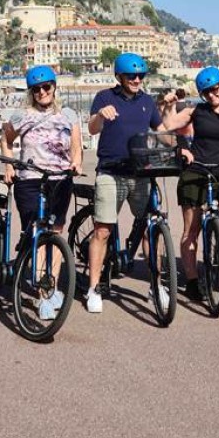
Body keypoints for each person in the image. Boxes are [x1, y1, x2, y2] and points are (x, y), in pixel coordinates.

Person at [161, 66, 219, 303]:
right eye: (207, 92)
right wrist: (169, 107)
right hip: (195, 172)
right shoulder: (196, 111)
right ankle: (192, 282)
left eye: (216, 88)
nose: (213, 94)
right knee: (191, 231)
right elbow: (167, 126)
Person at [1, 66, 83, 321]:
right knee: (37, 231)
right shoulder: (22, 115)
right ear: (31, 92)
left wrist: (76, 163)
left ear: (54, 87)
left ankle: (52, 284)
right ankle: (42, 293)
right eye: (36, 89)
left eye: (46, 87)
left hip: (60, 180)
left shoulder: (68, 115)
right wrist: (9, 166)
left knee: (56, 232)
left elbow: (77, 146)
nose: (42, 92)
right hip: (30, 180)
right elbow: (6, 139)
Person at [86, 52, 165, 314]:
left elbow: (161, 130)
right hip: (111, 171)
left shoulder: (147, 101)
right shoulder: (104, 97)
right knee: (103, 230)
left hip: (141, 173)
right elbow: (92, 128)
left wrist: (182, 146)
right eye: (131, 76)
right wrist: (101, 115)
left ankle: (157, 286)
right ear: (119, 76)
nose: (137, 80)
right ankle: (94, 288)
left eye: (140, 75)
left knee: (150, 228)